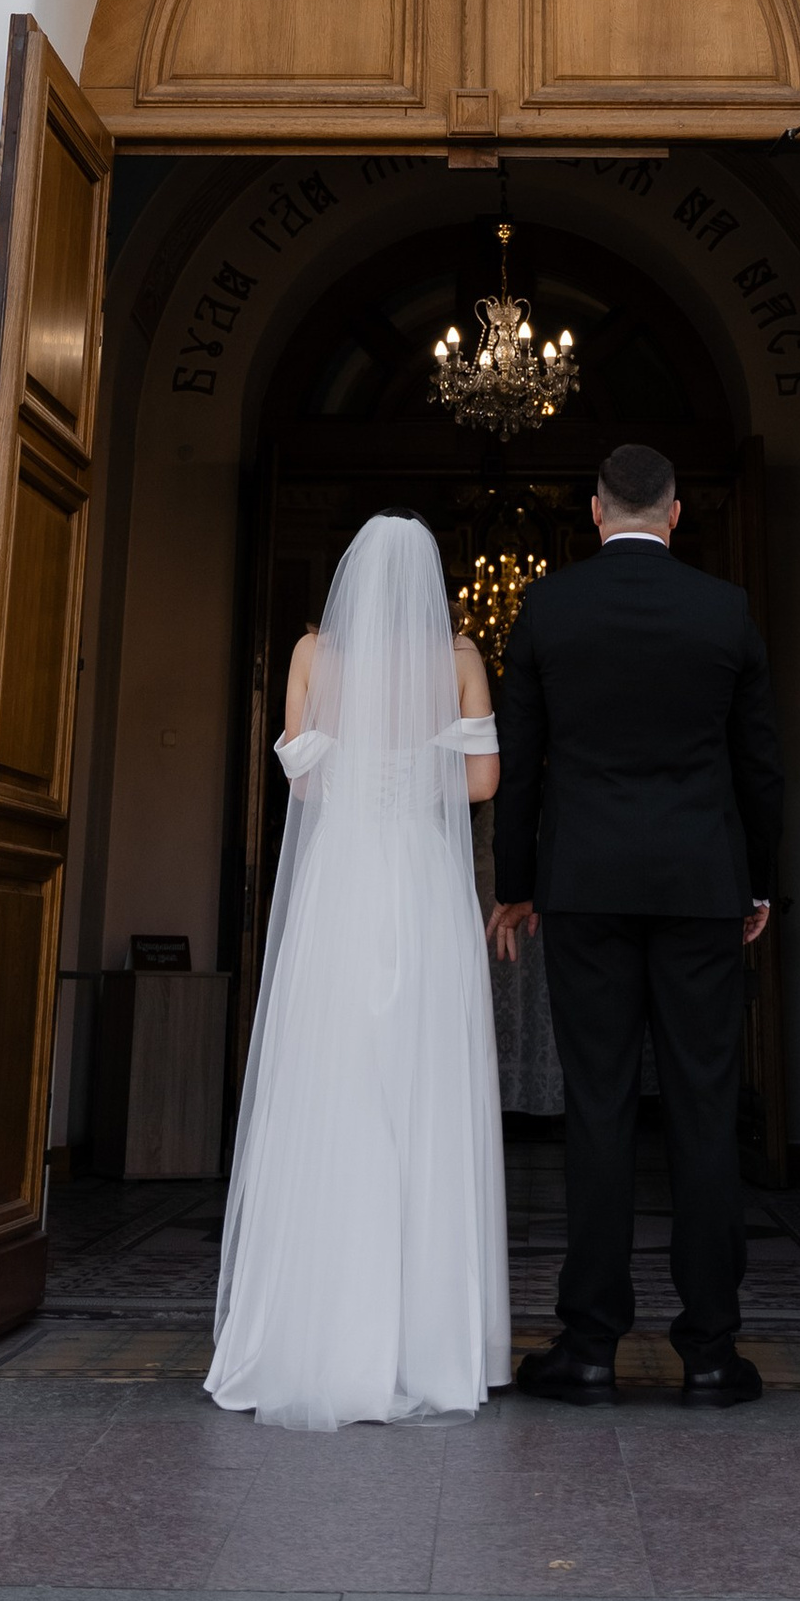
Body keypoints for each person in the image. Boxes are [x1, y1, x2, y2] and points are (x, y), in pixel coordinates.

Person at [489, 441, 784, 1408]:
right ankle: (711, 1351)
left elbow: (520, 764)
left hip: (584, 886)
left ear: (595, 511)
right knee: (703, 1109)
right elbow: (760, 765)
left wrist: (517, 883)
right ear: (675, 514)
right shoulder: (724, 611)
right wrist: (758, 884)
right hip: (702, 887)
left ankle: (588, 1347)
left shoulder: (549, 608)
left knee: (598, 1108)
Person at [207, 512, 511, 1428]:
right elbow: (483, 784)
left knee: (333, 1081)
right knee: (424, 1084)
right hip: (420, 878)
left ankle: (319, 1325)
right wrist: (417, 771)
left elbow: (301, 781)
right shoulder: (459, 656)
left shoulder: (314, 655)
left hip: (341, 882)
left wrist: (361, 769)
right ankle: (426, 1341)